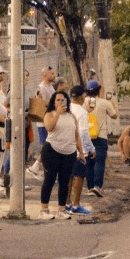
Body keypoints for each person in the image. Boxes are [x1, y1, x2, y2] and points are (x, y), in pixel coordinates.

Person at [38, 90, 84, 220]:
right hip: (52, 150)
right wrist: (57, 113)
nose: (60, 102)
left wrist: (81, 152)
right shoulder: (50, 114)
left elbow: (76, 136)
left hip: (69, 152)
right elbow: (49, 127)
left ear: (67, 101)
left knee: (65, 181)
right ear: (53, 102)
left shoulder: (71, 116)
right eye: (57, 100)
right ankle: (44, 209)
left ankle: (61, 209)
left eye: (62, 100)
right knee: (49, 179)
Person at [85, 80, 118, 198]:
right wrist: (112, 104)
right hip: (101, 136)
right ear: (99, 90)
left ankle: (89, 187)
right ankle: (97, 186)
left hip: (86, 136)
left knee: (89, 162)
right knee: (99, 161)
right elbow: (114, 116)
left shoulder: (83, 102)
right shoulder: (104, 103)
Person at [66, 85, 95, 216]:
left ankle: (66, 203)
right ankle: (76, 204)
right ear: (80, 97)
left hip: (67, 147)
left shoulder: (67, 109)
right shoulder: (82, 112)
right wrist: (90, 148)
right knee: (79, 176)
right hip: (79, 149)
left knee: (68, 177)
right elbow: (83, 133)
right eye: (84, 95)